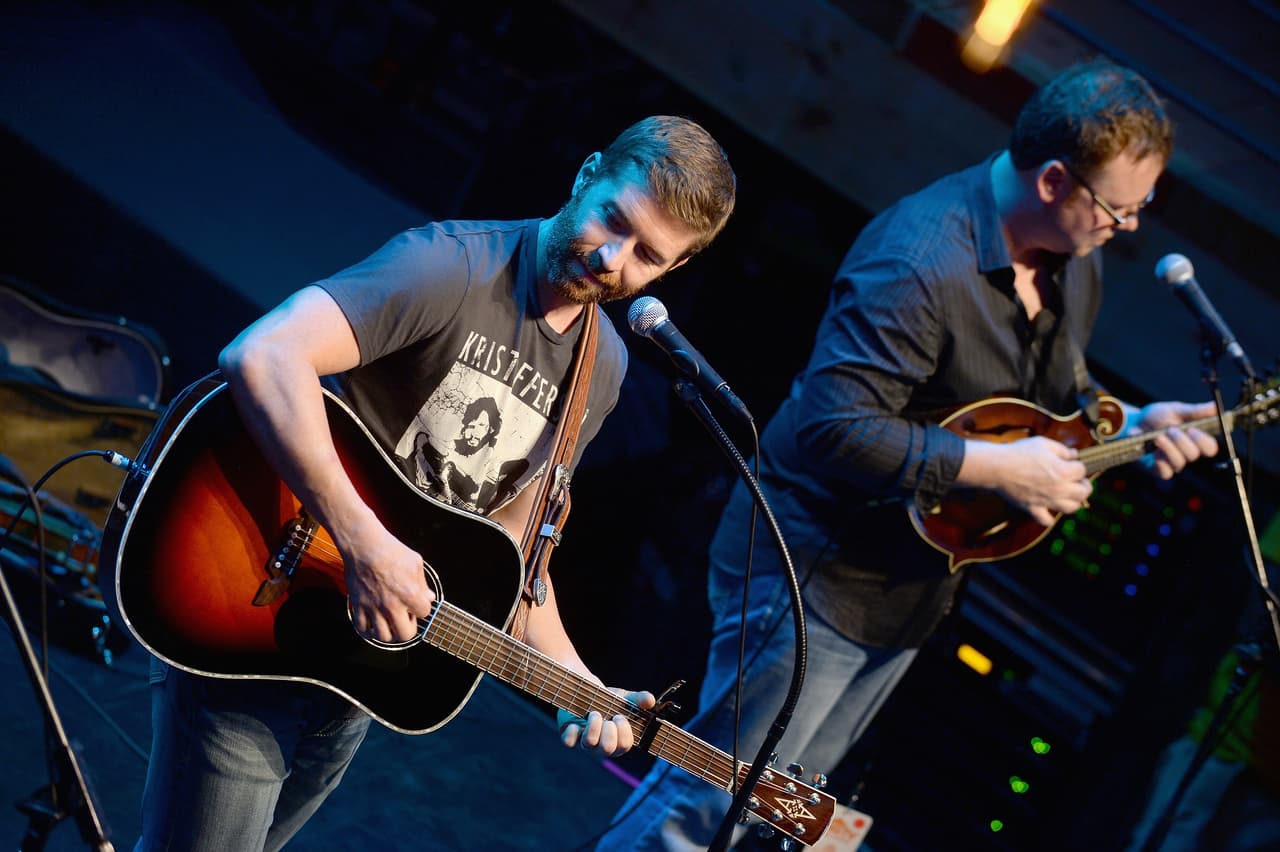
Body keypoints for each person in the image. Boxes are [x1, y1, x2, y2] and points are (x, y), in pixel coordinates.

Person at [598, 60, 1220, 851]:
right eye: (1118, 208)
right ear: (1055, 182)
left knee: (776, 819)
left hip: (907, 589)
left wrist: (1133, 420)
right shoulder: (920, 259)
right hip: (811, 575)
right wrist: (1000, 469)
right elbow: (834, 426)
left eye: (1139, 208)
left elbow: (1051, 397)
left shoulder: (1072, 259)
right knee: (701, 809)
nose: (1126, 227)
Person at [133, 114, 737, 851]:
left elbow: (516, 560)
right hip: (255, 586)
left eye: (647, 255)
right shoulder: (450, 266)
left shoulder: (600, 369)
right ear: (586, 177)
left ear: (672, 271)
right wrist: (366, 545)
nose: (613, 257)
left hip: (353, 662)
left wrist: (580, 685)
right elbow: (264, 354)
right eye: (613, 219)